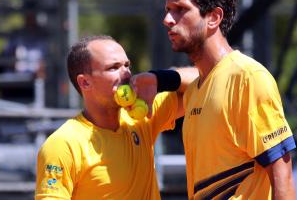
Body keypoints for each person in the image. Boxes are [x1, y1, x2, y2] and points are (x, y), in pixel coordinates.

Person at [153, 0, 297, 199]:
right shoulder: (194, 91)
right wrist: (158, 78)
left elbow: (282, 173)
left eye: (180, 9)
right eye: (168, 10)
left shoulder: (247, 77)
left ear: (213, 17)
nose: (168, 19)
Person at [34, 35, 196, 199]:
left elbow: (203, 80)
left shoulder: (142, 116)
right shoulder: (63, 144)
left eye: (127, 65)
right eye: (113, 67)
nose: (126, 73)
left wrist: (159, 78)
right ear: (85, 83)